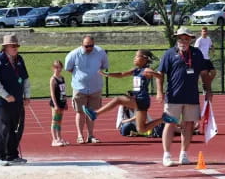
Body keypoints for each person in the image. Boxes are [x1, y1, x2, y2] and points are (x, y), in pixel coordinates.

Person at [156, 27, 213, 167]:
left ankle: (184, 154)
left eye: (186, 38)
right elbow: (160, 74)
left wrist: (208, 90)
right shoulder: (169, 54)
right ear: (177, 39)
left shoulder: (197, 53)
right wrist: (159, 91)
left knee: (189, 125)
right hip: (173, 96)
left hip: (192, 96)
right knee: (170, 124)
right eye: (181, 38)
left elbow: (204, 73)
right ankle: (167, 155)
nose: (183, 41)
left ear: (190, 40)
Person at [83, 50, 177, 133]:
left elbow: (160, 76)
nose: (134, 58)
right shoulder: (136, 70)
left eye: (137, 56)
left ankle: (95, 114)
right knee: (141, 129)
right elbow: (121, 74)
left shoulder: (147, 70)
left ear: (144, 59)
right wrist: (107, 74)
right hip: (138, 99)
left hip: (142, 99)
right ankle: (163, 119)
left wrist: (153, 73)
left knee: (118, 99)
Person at [0, 33, 31, 166]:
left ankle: (12, 154)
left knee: (17, 128)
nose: (15, 48)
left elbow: (25, 79)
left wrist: (27, 95)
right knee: (2, 128)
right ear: (5, 47)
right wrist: (6, 96)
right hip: (2, 102)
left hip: (18, 101)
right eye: (12, 46)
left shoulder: (20, 59)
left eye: (16, 46)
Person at [65, 35, 109, 144]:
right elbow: (68, 68)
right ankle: (80, 135)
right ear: (82, 44)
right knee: (80, 112)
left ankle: (90, 135)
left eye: (91, 46)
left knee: (91, 113)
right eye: (86, 46)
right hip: (80, 88)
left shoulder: (100, 52)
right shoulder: (73, 54)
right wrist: (81, 77)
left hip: (95, 88)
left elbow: (104, 66)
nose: (89, 48)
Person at [49, 59, 69, 146]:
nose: (58, 69)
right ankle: (54, 140)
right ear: (53, 68)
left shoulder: (62, 78)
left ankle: (59, 138)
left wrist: (65, 102)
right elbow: (52, 94)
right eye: (56, 67)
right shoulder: (53, 79)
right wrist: (56, 105)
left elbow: (63, 91)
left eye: (60, 67)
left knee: (59, 121)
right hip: (55, 104)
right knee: (55, 121)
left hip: (61, 102)